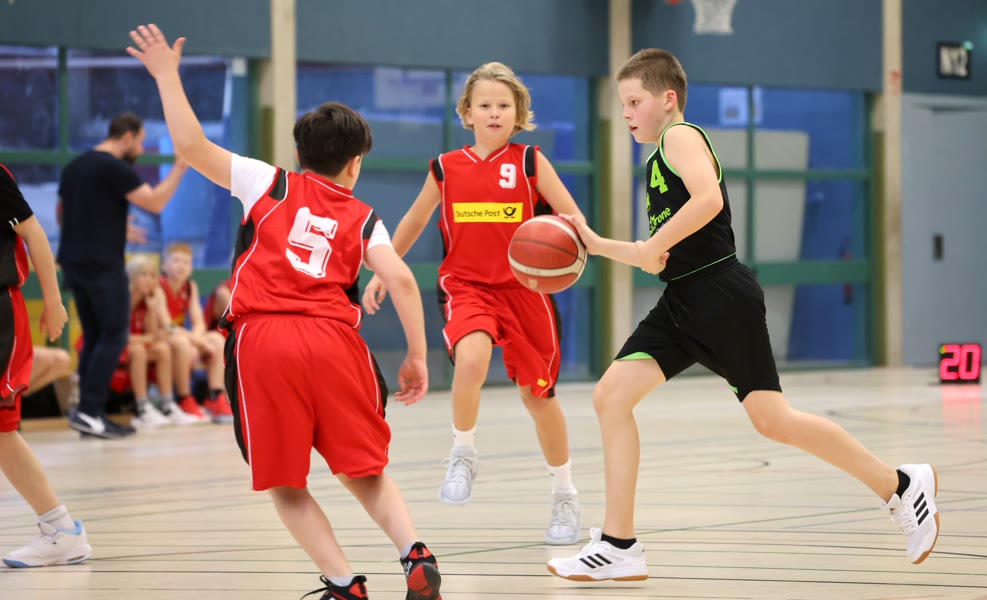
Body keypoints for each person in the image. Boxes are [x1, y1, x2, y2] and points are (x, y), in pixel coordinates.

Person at [547, 48, 940, 581]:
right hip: (683, 300)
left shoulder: (680, 137)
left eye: (634, 101)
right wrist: (596, 244)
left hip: (719, 295)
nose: (626, 113)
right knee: (611, 397)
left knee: (774, 420)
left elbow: (708, 201)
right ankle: (620, 545)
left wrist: (651, 247)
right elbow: (653, 255)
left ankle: (901, 486)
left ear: (668, 99)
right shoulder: (658, 158)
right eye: (622, 104)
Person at [128, 24, 442, 600]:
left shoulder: (268, 183)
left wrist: (168, 75)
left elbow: (192, 147)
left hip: (266, 341)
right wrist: (417, 356)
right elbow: (399, 278)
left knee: (285, 483)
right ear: (355, 165)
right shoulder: (364, 217)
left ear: (299, 155)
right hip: (337, 343)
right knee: (364, 470)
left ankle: (344, 585)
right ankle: (414, 553)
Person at [362, 61, 584, 545]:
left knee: (538, 398)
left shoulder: (530, 162)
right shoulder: (445, 168)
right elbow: (414, 221)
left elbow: (572, 218)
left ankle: (564, 495)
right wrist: (384, 267)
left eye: (504, 105)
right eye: (485, 105)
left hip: (526, 293)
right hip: (468, 287)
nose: (494, 113)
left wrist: (582, 246)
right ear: (467, 112)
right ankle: (463, 452)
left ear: (518, 113)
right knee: (471, 359)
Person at [57, 112, 188, 439]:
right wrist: (179, 168)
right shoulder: (113, 167)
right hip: (103, 265)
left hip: (73, 263)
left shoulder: (75, 167)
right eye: (140, 142)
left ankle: (87, 413)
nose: (140, 149)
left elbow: (62, 214)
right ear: (127, 136)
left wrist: (111, 225)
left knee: (95, 335)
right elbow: (155, 202)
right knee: (114, 336)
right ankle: (90, 411)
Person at [1, 162, 92, 568]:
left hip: (2, 312)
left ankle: (61, 530)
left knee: (2, 430)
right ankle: (60, 529)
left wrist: (53, 302)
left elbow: (34, 233)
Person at [158, 242, 232, 423]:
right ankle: (184, 397)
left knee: (216, 338)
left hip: (182, 336)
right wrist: (197, 342)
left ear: (191, 268)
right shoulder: (159, 287)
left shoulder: (190, 286)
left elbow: (199, 321)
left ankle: (215, 395)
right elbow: (167, 326)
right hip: (161, 336)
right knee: (183, 343)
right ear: (165, 265)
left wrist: (198, 339)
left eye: (186, 262)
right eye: (176, 261)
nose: (181, 266)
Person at [125, 255, 199, 428]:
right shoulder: (122, 298)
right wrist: (194, 340)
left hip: (137, 342)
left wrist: (152, 309)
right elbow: (119, 336)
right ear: (132, 277)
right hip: (116, 346)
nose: (149, 280)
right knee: (140, 350)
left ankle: (167, 404)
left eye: (152, 276)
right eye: (143, 275)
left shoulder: (150, 298)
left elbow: (153, 335)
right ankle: (142, 408)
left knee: (162, 348)